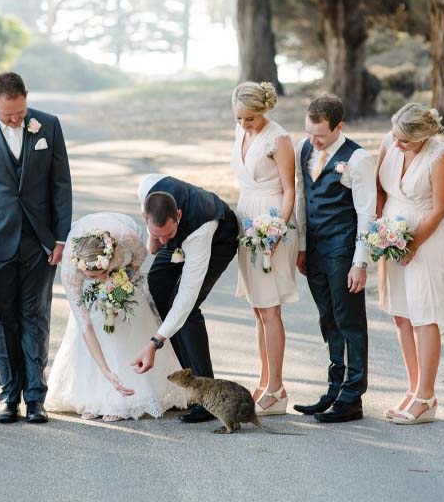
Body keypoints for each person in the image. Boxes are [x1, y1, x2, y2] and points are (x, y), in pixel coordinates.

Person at [0, 72, 72, 424]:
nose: (16, 119)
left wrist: (61, 238)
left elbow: (60, 184)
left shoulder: (48, 126)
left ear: (26, 100)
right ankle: (9, 395)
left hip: (39, 242)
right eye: (8, 114)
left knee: (35, 315)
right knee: (0, 319)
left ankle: (36, 397)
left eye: (20, 112)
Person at [376, 103, 444, 425]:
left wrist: (413, 244)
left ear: (424, 136)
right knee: (402, 316)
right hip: (392, 238)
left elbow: (439, 209)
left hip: (427, 241)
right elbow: (379, 189)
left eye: (404, 141)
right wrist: (383, 231)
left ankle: (426, 397)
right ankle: (414, 389)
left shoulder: (439, 157)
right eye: (395, 137)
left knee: (423, 316)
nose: (396, 145)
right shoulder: (389, 143)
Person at [47, 213, 187, 421]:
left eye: (103, 273)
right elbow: (85, 327)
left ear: (111, 259)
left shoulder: (127, 238)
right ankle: (94, 397)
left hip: (125, 268)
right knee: (94, 316)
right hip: (94, 257)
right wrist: (105, 370)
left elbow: (139, 259)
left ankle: (126, 395)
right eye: (93, 277)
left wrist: (120, 287)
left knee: (126, 318)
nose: (100, 279)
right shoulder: (72, 272)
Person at [293, 94, 375, 423]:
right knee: (328, 320)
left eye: (321, 136)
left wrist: (360, 262)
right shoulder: (303, 147)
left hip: (343, 251)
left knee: (349, 321)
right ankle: (334, 388)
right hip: (314, 249)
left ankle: (353, 397)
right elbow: (302, 197)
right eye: (310, 133)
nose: (314, 141)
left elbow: (366, 212)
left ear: (339, 127)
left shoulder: (358, 159)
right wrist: (301, 245)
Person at [132, 175, 239, 424]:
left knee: (187, 311)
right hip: (175, 231)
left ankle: (206, 394)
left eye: (167, 234)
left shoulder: (199, 230)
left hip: (219, 239)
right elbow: (161, 238)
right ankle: (186, 381)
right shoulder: (147, 186)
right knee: (157, 285)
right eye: (158, 234)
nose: (164, 241)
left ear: (178, 215)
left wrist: (155, 341)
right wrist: (155, 239)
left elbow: (187, 296)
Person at [230, 81, 298, 416]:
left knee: (270, 309)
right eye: (239, 118)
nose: (244, 125)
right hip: (247, 219)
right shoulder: (240, 131)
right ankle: (264, 379)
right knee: (258, 307)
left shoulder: (279, 139)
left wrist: (276, 232)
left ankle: (277, 388)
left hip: (271, 221)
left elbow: (289, 191)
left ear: (264, 111)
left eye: (250, 120)